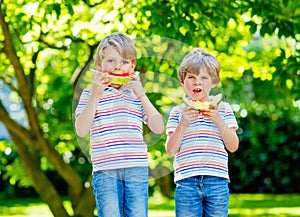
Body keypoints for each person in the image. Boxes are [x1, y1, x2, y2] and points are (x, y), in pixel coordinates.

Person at [75, 32, 164, 217]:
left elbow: (158, 127)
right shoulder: (89, 94)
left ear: (132, 66)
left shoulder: (135, 94)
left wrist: (142, 94)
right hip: (105, 170)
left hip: (136, 167)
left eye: (124, 62)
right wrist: (95, 95)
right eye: (110, 61)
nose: (117, 67)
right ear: (99, 65)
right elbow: (81, 130)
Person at [165, 48, 239, 217]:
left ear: (213, 82)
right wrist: (183, 124)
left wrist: (219, 120)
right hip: (186, 181)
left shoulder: (224, 110)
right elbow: (170, 150)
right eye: (191, 77)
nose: (197, 82)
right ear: (183, 81)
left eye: (203, 77)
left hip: (217, 180)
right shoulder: (178, 113)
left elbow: (233, 146)